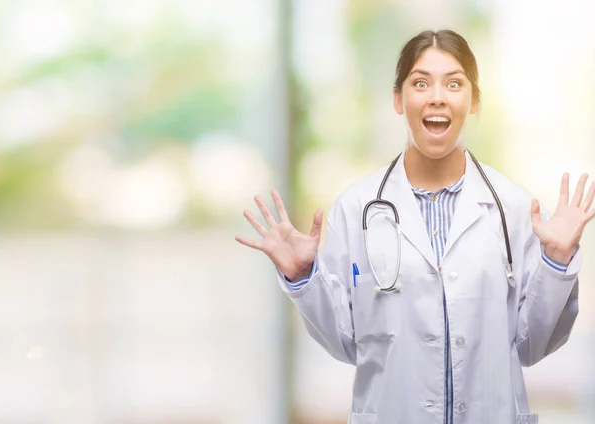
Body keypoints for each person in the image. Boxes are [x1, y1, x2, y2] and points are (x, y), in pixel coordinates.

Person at [235, 29, 594, 424]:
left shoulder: (515, 209)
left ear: (473, 101)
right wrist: (303, 276)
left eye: (454, 83)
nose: (437, 96)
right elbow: (346, 343)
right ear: (398, 99)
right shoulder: (355, 211)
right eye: (420, 82)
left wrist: (558, 261)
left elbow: (532, 346)